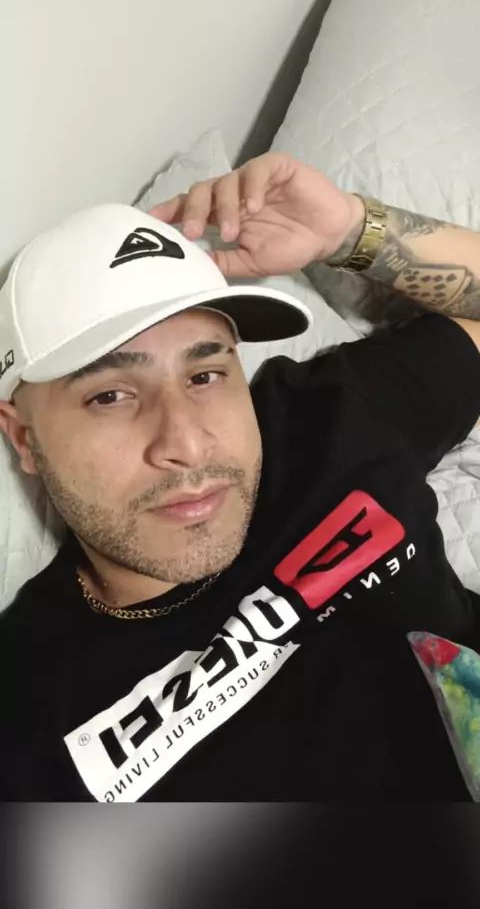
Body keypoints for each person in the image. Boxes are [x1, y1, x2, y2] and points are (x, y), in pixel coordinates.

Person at [1, 151, 480, 803]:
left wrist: (350, 230)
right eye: (110, 396)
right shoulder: (26, 714)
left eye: (205, 375)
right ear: (23, 438)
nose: (186, 443)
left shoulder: (323, 422)